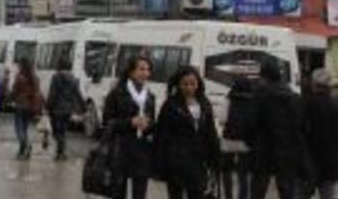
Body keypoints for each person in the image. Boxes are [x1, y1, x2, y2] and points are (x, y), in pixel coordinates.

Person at [247, 59, 311, 199]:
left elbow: (250, 125)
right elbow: (302, 127)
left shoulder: (259, 96)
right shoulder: (295, 97)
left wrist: (252, 144)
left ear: (263, 77)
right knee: (286, 191)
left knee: (258, 190)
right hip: (287, 153)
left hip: (262, 151)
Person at [155, 66, 221, 199]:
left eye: (193, 83)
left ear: (198, 84)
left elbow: (210, 132)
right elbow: (161, 135)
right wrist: (161, 163)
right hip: (176, 162)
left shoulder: (204, 103)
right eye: (185, 84)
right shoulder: (170, 105)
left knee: (197, 194)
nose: (189, 87)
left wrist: (215, 159)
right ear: (178, 84)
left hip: (198, 161)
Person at [102, 54, 156, 199]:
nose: (145, 73)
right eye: (141, 69)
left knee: (140, 193)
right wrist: (130, 122)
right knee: (118, 191)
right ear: (131, 72)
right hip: (120, 149)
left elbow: (152, 123)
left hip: (141, 150)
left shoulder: (150, 97)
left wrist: (149, 125)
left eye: (148, 70)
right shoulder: (117, 94)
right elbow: (107, 122)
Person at [220, 76, 257, 199]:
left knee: (226, 170)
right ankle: (243, 196)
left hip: (229, 139)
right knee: (244, 173)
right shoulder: (253, 100)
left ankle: (228, 195)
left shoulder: (228, 99)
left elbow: (222, 119)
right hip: (246, 140)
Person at [305, 68, 338, 199]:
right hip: (330, 161)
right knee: (327, 195)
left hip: (308, 161)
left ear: (313, 84)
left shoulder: (304, 104)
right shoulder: (336, 105)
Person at [46, 57, 85, 161]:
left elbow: (52, 94)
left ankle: (60, 152)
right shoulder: (73, 78)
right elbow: (78, 94)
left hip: (56, 109)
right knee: (62, 131)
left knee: (56, 132)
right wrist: (83, 107)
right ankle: (61, 153)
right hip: (68, 109)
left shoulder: (56, 77)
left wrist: (48, 106)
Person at [11, 57, 42, 160]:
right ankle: (22, 150)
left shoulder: (20, 77)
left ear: (22, 66)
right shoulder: (35, 78)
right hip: (31, 106)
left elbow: (14, 91)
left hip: (21, 105)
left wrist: (9, 99)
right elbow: (38, 93)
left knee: (19, 129)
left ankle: (26, 146)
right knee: (24, 128)